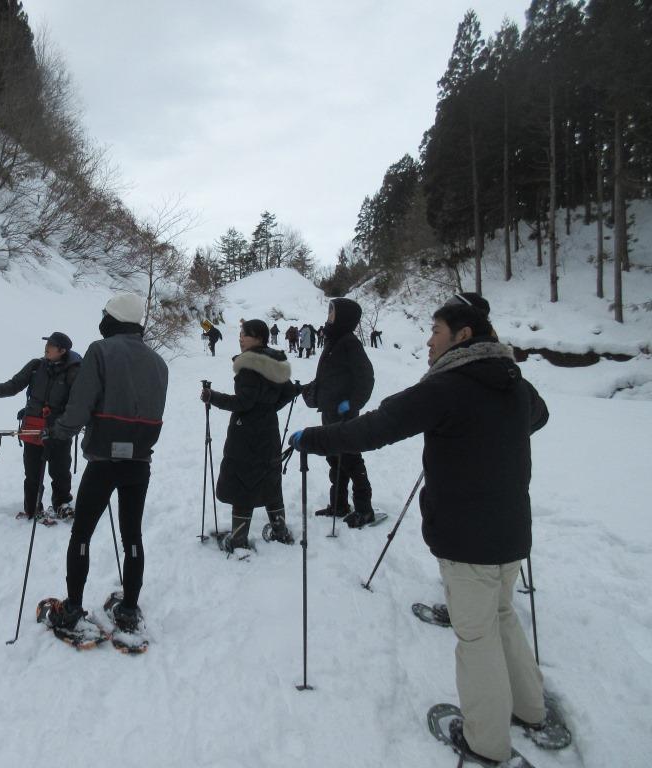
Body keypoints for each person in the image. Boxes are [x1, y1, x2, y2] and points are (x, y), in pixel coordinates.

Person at [291, 292, 548, 764]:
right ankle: (532, 710)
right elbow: (539, 415)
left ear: (462, 336)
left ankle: (487, 742)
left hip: (468, 537)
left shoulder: (447, 386)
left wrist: (314, 438)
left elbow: (376, 428)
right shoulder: (513, 381)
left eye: (435, 332)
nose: (428, 342)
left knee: (476, 637)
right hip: (511, 531)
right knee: (502, 617)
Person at [41, 293, 169, 633]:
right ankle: (128, 608)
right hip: (139, 462)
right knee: (132, 536)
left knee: (81, 533)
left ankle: (72, 608)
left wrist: (58, 432)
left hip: (103, 459)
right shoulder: (160, 363)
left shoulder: (100, 350)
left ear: (112, 318)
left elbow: (81, 406)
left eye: (105, 314)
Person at [202, 319, 297, 552]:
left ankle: (237, 540)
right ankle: (280, 531)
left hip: (245, 433)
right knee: (270, 479)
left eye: (245, 334)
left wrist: (212, 397)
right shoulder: (276, 362)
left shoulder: (249, 365)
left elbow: (243, 402)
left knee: (243, 480)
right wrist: (267, 409)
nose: (240, 337)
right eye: (241, 334)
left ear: (259, 337)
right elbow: (288, 393)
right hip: (268, 430)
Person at [0, 332, 82, 520]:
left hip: (58, 430)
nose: (47, 347)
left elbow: (77, 401)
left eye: (51, 345)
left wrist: (66, 424)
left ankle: (62, 504)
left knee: (60, 470)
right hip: (33, 427)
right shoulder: (36, 366)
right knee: (32, 471)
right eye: (47, 344)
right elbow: (15, 384)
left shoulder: (74, 371)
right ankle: (33, 508)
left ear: (62, 350)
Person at [301, 298, 375, 526]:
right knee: (335, 459)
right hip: (329, 413)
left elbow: (366, 379)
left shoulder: (349, 343)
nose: (329, 316)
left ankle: (365, 509)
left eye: (332, 312)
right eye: (329, 311)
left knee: (351, 459)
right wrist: (306, 389)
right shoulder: (333, 342)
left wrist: (351, 404)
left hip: (344, 416)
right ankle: (339, 504)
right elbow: (326, 377)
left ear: (343, 317)